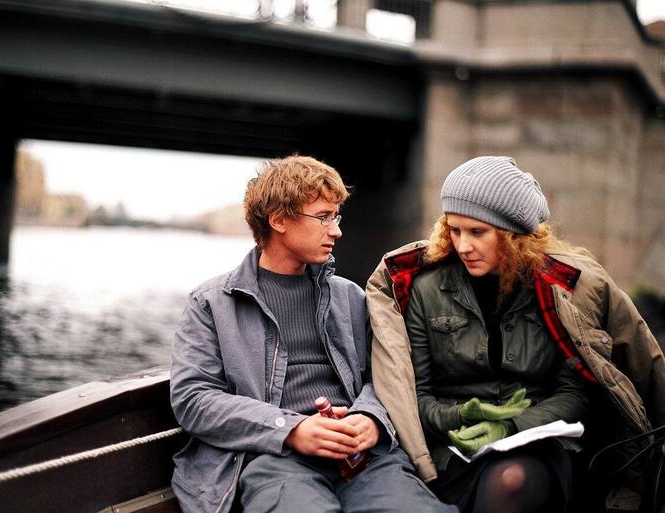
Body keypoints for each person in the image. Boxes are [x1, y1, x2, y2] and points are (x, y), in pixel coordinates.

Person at [366, 156, 665, 512]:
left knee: (511, 479)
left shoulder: (560, 291)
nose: (463, 246)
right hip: (448, 449)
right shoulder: (425, 289)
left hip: (540, 443)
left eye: (477, 232)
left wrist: (510, 427)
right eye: (455, 231)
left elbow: (575, 392)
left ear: (514, 235)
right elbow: (416, 396)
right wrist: (461, 416)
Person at [170, 155, 455, 513]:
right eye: (323, 217)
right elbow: (192, 398)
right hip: (273, 461)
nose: (336, 231)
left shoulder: (350, 297)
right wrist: (291, 430)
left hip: (363, 459)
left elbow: (382, 376)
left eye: (336, 217)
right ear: (278, 220)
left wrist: (371, 419)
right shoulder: (212, 303)